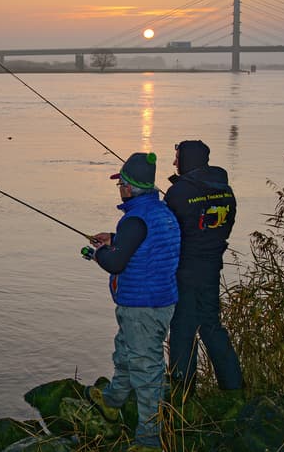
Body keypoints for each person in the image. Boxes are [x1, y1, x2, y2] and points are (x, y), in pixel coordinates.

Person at [84, 152, 181, 452]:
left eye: (120, 184)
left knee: (145, 369)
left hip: (142, 305)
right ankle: (113, 400)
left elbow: (116, 264)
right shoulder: (161, 212)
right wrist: (114, 238)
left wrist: (98, 253)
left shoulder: (135, 219)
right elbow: (144, 244)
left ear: (128, 187)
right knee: (126, 351)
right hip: (160, 301)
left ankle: (149, 439)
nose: (119, 189)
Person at [165, 140, 243, 394]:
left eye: (177, 158)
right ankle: (233, 389)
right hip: (211, 267)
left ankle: (182, 394)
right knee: (211, 326)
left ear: (187, 160)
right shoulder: (225, 189)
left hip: (185, 269)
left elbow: (168, 232)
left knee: (182, 330)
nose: (175, 163)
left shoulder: (179, 193)